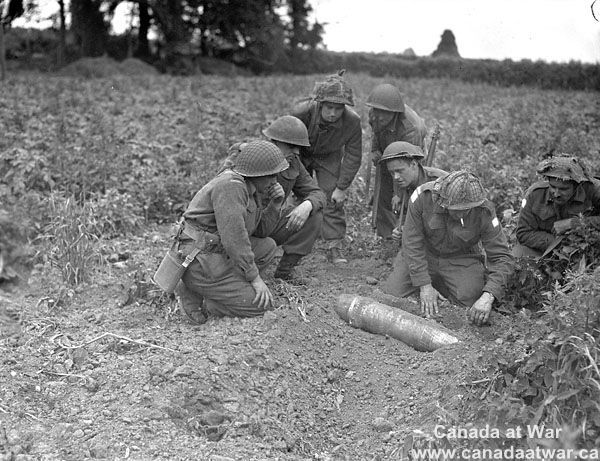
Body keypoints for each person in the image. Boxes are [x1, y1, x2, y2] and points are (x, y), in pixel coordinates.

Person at [174, 140, 288, 323]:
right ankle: (205, 297)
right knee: (260, 306)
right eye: (270, 176)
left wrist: (275, 205)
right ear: (255, 173)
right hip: (199, 259)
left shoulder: (251, 188)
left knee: (267, 247)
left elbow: (260, 232)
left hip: (214, 251)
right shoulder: (231, 186)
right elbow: (234, 239)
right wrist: (255, 278)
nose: (274, 181)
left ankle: (219, 290)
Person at [381, 171, 514, 326]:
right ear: (442, 201)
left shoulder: (484, 210)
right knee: (392, 294)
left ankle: (443, 287)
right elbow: (412, 243)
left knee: (470, 297)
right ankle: (431, 286)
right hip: (425, 255)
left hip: (460, 259)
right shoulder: (423, 197)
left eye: (467, 209)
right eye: (456, 210)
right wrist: (424, 286)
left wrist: (488, 296)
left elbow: (502, 257)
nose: (462, 214)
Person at [291, 70, 362, 264]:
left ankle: (333, 245)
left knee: (332, 197)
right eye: (329, 107)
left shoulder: (352, 122)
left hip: (329, 156)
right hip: (300, 153)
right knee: (296, 193)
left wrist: (342, 187)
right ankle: (291, 239)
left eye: (338, 108)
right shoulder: (301, 113)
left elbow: (353, 155)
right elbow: (284, 141)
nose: (332, 113)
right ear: (320, 104)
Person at [260, 115, 326, 281]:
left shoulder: (293, 162)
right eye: (291, 146)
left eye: (298, 147)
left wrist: (307, 205)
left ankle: (285, 271)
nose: (296, 152)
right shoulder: (249, 157)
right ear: (273, 142)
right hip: (246, 226)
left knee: (314, 214)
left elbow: (317, 193)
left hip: (269, 223)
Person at [367, 83, 428, 239]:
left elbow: (404, 167)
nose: (378, 116)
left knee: (407, 193)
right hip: (388, 144)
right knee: (383, 193)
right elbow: (376, 132)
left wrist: (399, 194)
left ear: (394, 113)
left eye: (383, 113)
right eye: (376, 111)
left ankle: (407, 235)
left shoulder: (410, 129)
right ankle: (387, 236)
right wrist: (375, 149)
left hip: (410, 155)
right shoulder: (374, 115)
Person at [515, 155, 600, 258]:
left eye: (563, 189)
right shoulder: (535, 194)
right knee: (516, 256)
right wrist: (559, 243)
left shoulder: (594, 189)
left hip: (587, 247)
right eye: (553, 187)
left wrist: (574, 223)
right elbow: (523, 233)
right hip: (547, 249)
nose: (556, 194)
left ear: (577, 186)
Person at [378, 141, 447, 242]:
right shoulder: (403, 184)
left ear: (414, 164)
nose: (396, 177)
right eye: (392, 173)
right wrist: (400, 229)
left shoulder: (439, 182)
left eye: (400, 171)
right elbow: (405, 214)